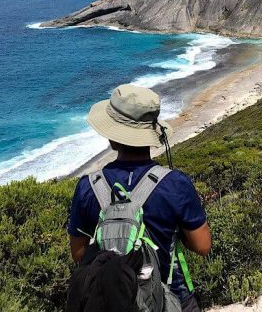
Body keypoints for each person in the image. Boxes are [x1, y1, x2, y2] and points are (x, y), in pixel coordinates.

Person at [67, 84, 211, 312]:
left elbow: (78, 253)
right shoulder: (175, 184)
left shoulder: (88, 186)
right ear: (152, 134)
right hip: (170, 300)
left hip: (109, 302)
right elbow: (202, 246)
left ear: (112, 138)